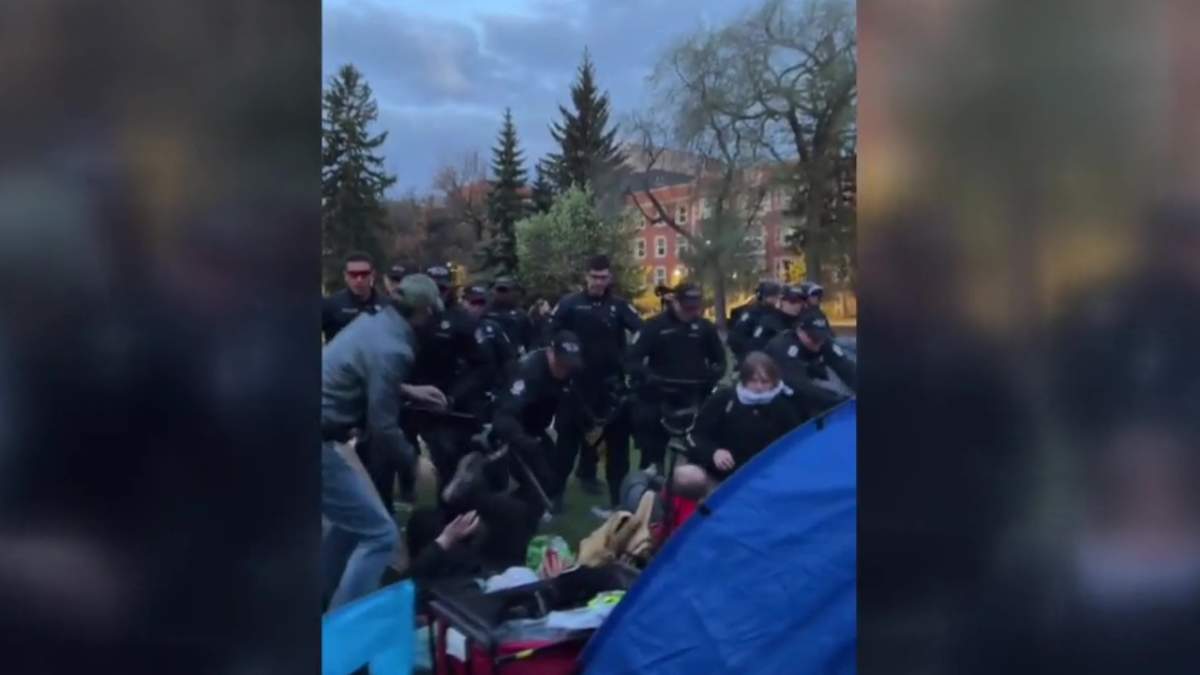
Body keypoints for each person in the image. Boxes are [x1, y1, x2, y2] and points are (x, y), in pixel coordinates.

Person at [320, 273, 446, 611]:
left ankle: (320, 594)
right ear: (422, 313)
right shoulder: (395, 347)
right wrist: (414, 462)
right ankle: (342, 629)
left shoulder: (375, 321)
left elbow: (368, 372)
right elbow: (383, 426)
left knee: (352, 523)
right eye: (431, 313)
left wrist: (409, 391)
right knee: (381, 534)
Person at [550, 254, 643, 510]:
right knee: (567, 442)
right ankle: (555, 496)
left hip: (610, 386)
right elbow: (551, 332)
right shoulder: (570, 304)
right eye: (594, 277)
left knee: (615, 445)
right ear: (586, 276)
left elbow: (641, 331)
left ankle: (616, 501)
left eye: (603, 277)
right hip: (576, 385)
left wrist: (631, 360)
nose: (598, 282)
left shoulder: (619, 305)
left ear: (610, 278)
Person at [408, 265, 493, 501]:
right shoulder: (410, 313)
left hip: (452, 401)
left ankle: (454, 511)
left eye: (443, 288)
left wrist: (455, 396)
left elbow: (483, 365)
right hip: (413, 397)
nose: (438, 294)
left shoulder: (462, 320)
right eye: (433, 288)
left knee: (452, 457)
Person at [672, 352, 803, 501]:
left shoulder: (783, 407)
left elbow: (795, 444)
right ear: (744, 379)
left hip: (765, 480)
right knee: (688, 477)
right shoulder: (723, 399)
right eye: (754, 381)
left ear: (773, 381)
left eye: (765, 382)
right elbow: (694, 437)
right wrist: (713, 453)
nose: (759, 387)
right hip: (720, 478)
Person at [626, 283, 726, 473]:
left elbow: (720, 360)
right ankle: (650, 481)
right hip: (660, 394)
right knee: (652, 450)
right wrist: (648, 376)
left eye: (695, 308)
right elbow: (632, 359)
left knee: (696, 446)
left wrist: (714, 373)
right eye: (687, 308)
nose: (691, 313)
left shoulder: (704, 328)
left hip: (694, 395)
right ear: (676, 303)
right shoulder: (655, 326)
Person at [492, 331, 587, 525]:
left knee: (552, 474)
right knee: (538, 476)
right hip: (512, 430)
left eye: (569, 366)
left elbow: (572, 399)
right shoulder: (529, 372)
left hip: (535, 428)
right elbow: (504, 415)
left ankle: (521, 511)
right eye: (561, 364)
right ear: (551, 353)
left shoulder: (568, 373)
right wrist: (522, 440)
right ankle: (508, 513)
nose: (564, 370)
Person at [765, 307, 856, 420]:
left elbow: (844, 365)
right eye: (813, 338)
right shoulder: (784, 348)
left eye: (821, 338)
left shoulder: (823, 342)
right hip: (776, 390)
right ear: (799, 331)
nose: (818, 343)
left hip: (808, 377)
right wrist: (839, 400)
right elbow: (800, 386)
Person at [321, 252, 383, 343]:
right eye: (353, 274)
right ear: (345, 276)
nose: (359, 279)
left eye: (364, 274)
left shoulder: (387, 305)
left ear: (372, 274)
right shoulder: (331, 305)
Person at [727, 281, 788, 364]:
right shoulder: (754, 313)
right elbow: (736, 337)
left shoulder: (772, 312)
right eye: (775, 296)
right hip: (753, 356)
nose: (777, 299)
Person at [485, 276, 535, 357]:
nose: (501, 293)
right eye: (499, 290)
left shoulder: (520, 315)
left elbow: (530, 340)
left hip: (514, 356)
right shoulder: (485, 312)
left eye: (504, 290)